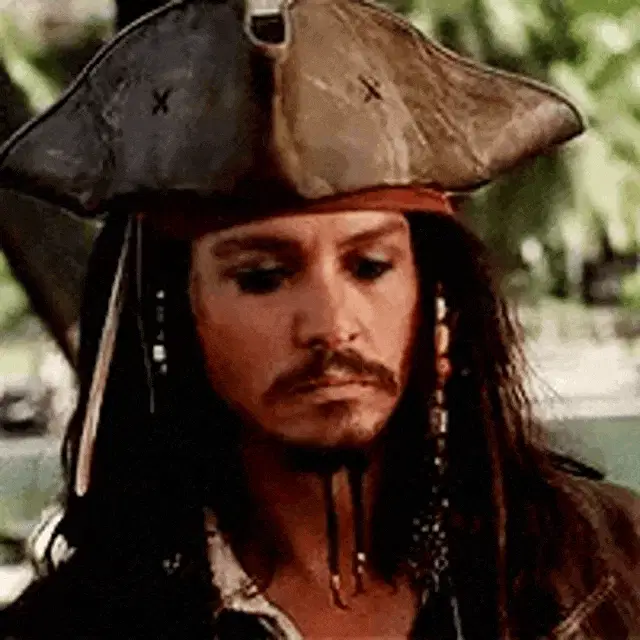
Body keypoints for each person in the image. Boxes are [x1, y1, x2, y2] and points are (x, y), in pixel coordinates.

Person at [0, 0, 638, 638]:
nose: (331, 325)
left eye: (369, 267)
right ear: (174, 313)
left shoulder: (610, 570)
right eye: (262, 277)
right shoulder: (77, 628)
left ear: (435, 295)